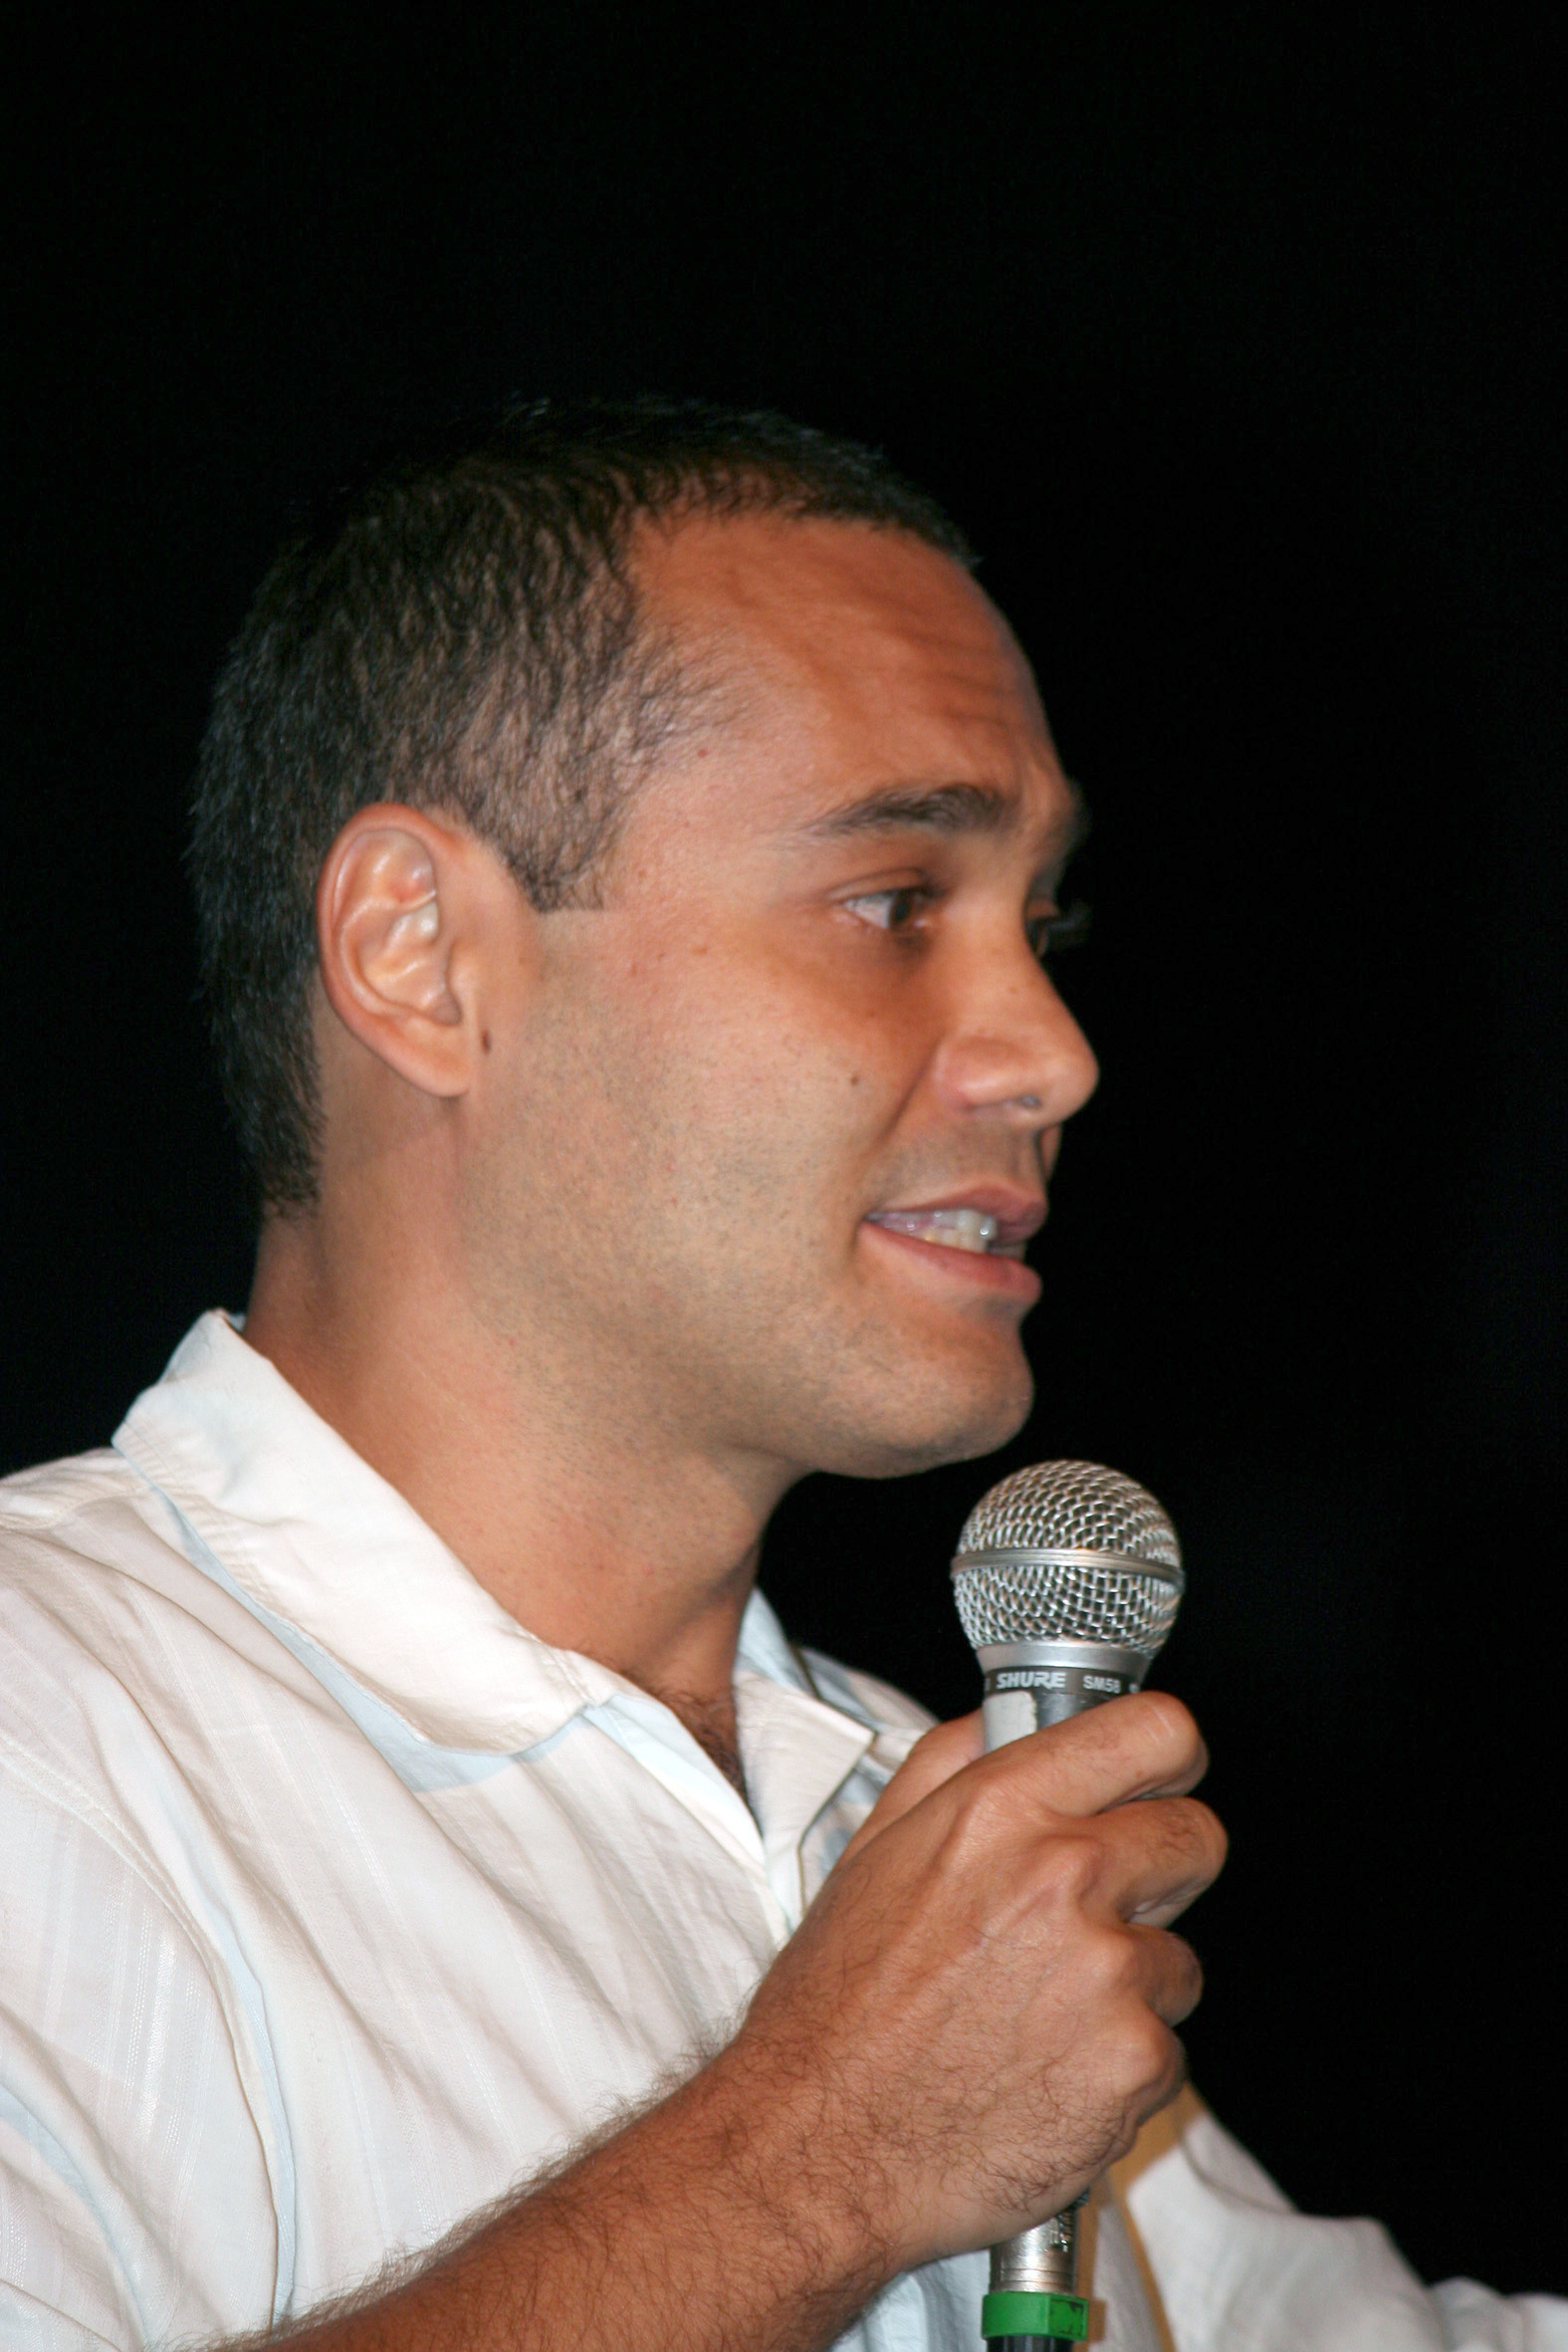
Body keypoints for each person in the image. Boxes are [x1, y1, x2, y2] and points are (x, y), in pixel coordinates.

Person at [0, 400, 1558, 2352]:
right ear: (421, 955)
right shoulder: (56, 1725)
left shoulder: (904, 1825)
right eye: (896, 903)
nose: (1054, 1051)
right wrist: (822, 2155)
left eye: (1042, 921)